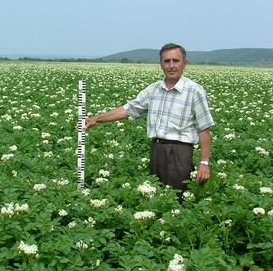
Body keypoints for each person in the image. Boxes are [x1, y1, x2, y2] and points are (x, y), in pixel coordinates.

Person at [84, 43, 215, 193]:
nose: (171, 65)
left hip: (180, 152)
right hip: (156, 149)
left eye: (175, 60)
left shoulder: (194, 90)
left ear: (185, 63)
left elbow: (204, 128)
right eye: (166, 61)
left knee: (177, 196)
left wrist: (204, 162)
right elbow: (128, 109)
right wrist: (97, 118)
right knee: (156, 195)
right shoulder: (153, 90)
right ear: (160, 64)